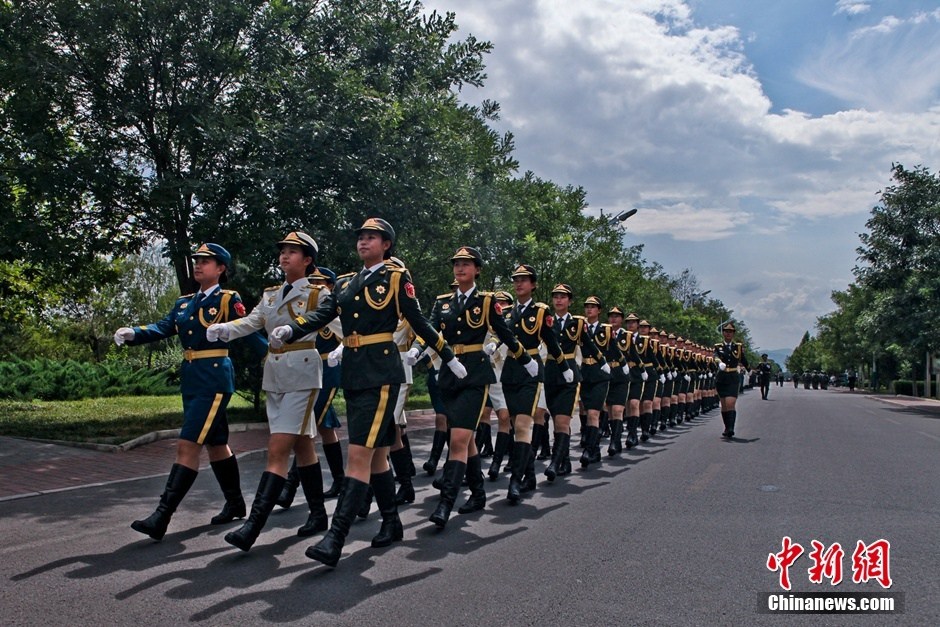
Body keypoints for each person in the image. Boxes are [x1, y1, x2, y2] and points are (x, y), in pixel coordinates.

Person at [269, 217, 466, 568]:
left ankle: (335, 538)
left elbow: (418, 321)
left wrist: (447, 355)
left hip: (382, 374)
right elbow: (324, 312)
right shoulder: (346, 282)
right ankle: (391, 521)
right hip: (355, 374)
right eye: (361, 237)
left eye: (372, 237)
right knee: (376, 457)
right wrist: (293, 328)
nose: (363, 242)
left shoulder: (396, 278)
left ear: (386, 245)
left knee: (358, 455)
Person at [114, 243, 264, 540]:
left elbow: (247, 329)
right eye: (197, 260)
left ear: (220, 268)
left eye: (206, 261)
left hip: (214, 379)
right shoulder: (184, 303)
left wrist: (273, 354)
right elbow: (163, 327)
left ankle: (162, 516)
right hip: (193, 378)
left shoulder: (227, 299)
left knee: (188, 444)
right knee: (216, 444)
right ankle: (235, 503)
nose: (198, 265)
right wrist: (134, 333)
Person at [206, 232, 340, 551]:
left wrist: (342, 350)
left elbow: (341, 327)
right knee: (303, 445)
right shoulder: (271, 294)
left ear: (307, 260)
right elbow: (252, 322)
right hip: (276, 375)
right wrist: (226, 329)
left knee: (277, 448)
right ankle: (318, 514)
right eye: (282, 251)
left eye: (292, 252)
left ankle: (253, 526)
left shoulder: (318, 294)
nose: (284, 256)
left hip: (303, 374)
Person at [424, 247, 536, 527]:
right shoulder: (443, 302)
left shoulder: (486, 302)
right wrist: (417, 350)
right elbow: (430, 331)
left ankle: (445, 504)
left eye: (466, 264)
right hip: (450, 374)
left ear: (477, 269)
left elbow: (504, 332)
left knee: (458, 439)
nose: (460, 268)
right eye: (456, 264)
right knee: (467, 439)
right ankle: (477, 492)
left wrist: (525, 359)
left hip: (475, 376)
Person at [499, 265, 571, 501]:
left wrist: (564, 366)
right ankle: (529, 476)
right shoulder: (506, 312)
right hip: (510, 371)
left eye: (524, 280)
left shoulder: (540, 312)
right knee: (514, 425)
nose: (519, 283)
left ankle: (515, 481)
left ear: (533, 285)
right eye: (516, 280)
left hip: (531, 371)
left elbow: (551, 341)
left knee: (522, 425)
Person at [544, 284, 605, 478]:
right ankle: (565, 460)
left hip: (570, 374)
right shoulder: (545, 320)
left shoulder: (577, 323)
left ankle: (554, 463)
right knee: (556, 420)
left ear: (570, 301)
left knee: (563, 420)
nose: (558, 300)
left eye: (563, 297)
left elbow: (588, 343)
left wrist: (602, 362)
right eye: (556, 296)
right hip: (550, 373)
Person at [580, 296, 613, 466]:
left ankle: (589, 449)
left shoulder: (606, 330)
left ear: (599, 310)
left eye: (593, 307)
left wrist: (620, 367)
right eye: (587, 306)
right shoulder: (579, 327)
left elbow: (615, 352)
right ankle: (595, 449)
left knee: (593, 412)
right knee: (586, 412)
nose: (589, 309)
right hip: (584, 373)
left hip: (600, 374)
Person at [714, 321, 749, 438]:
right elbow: (715, 356)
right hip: (721, 377)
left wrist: (749, 369)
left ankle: (731, 428)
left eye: (731, 332)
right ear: (723, 333)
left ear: (733, 333)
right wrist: (719, 362)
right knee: (724, 404)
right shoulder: (718, 346)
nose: (728, 333)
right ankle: (726, 427)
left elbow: (743, 360)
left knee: (730, 403)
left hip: (733, 377)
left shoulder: (737, 347)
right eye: (726, 331)